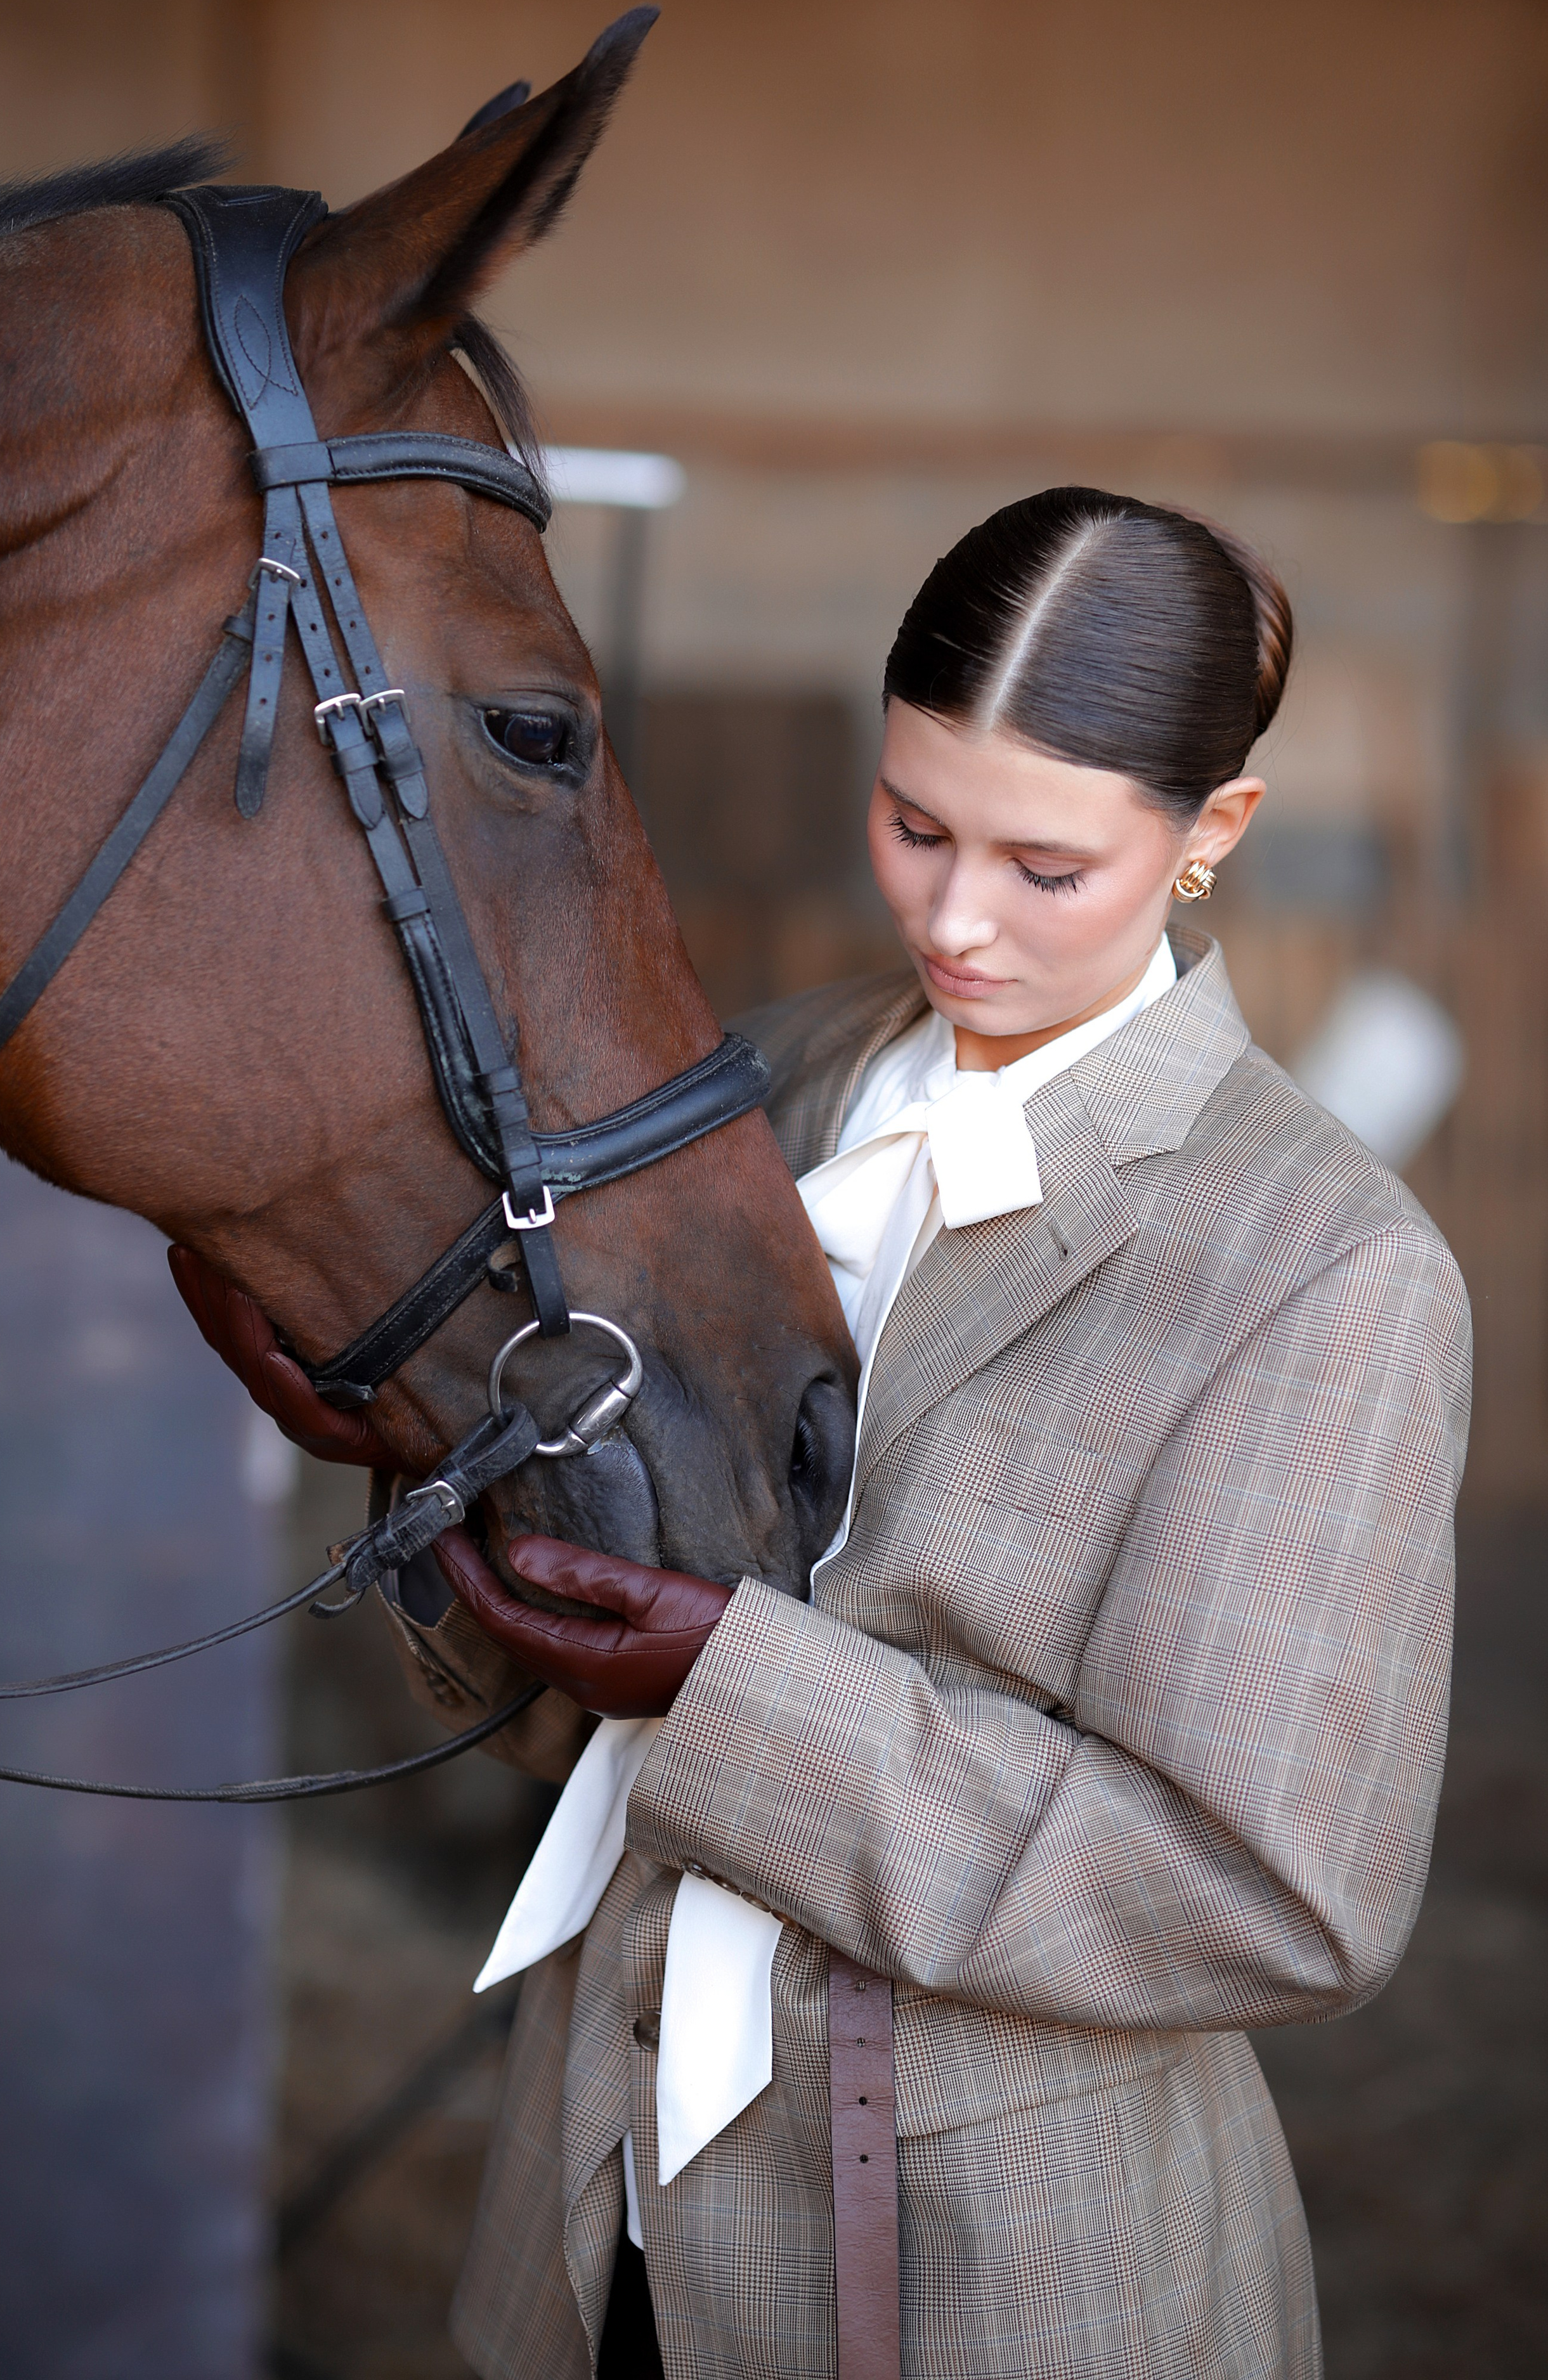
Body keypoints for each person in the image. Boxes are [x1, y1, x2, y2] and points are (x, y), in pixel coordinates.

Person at [183, 487, 1470, 2380]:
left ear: (1214, 837)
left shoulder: (1319, 1265)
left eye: (1047, 870)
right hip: (600, 2184)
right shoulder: (760, 1087)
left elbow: (1271, 1896)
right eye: (915, 824)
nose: (955, 918)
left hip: (996, 2264)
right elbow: (558, 1663)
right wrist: (409, 1449)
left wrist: (737, 1690)